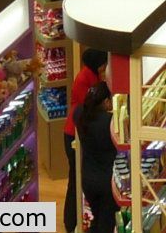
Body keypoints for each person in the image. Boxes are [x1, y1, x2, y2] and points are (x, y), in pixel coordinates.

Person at [61, 48, 108, 233]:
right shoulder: (84, 80)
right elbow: (86, 111)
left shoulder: (93, 77)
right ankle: (71, 223)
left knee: (77, 180)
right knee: (75, 180)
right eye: (104, 67)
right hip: (75, 136)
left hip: (79, 134)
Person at [73, 82, 120, 233]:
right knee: (106, 224)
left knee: (97, 219)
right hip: (107, 181)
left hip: (88, 178)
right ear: (106, 102)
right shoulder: (110, 122)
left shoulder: (79, 114)